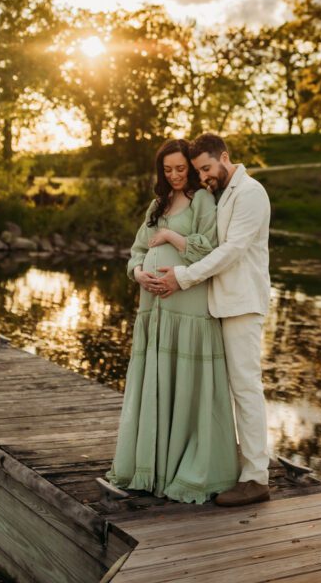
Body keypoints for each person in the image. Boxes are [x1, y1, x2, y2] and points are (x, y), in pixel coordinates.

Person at [106, 138, 239, 504]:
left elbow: (208, 246)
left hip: (188, 308)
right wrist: (137, 275)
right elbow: (135, 252)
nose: (176, 175)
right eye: (168, 170)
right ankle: (150, 467)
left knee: (185, 385)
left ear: (191, 168)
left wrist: (168, 236)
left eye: (181, 168)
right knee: (157, 380)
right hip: (154, 309)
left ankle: (184, 468)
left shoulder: (202, 200)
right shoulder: (157, 204)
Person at [154, 132, 271, 507]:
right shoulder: (224, 193)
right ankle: (231, 466)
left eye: (206, 168)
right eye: (199, 171)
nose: (203, 176)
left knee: (246, 389)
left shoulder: (251, 193)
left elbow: (231, 252)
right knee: (225, 391)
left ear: (224, 157)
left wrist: (183, 277)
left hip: (241, 306)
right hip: (219, 305)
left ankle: (256, 478)